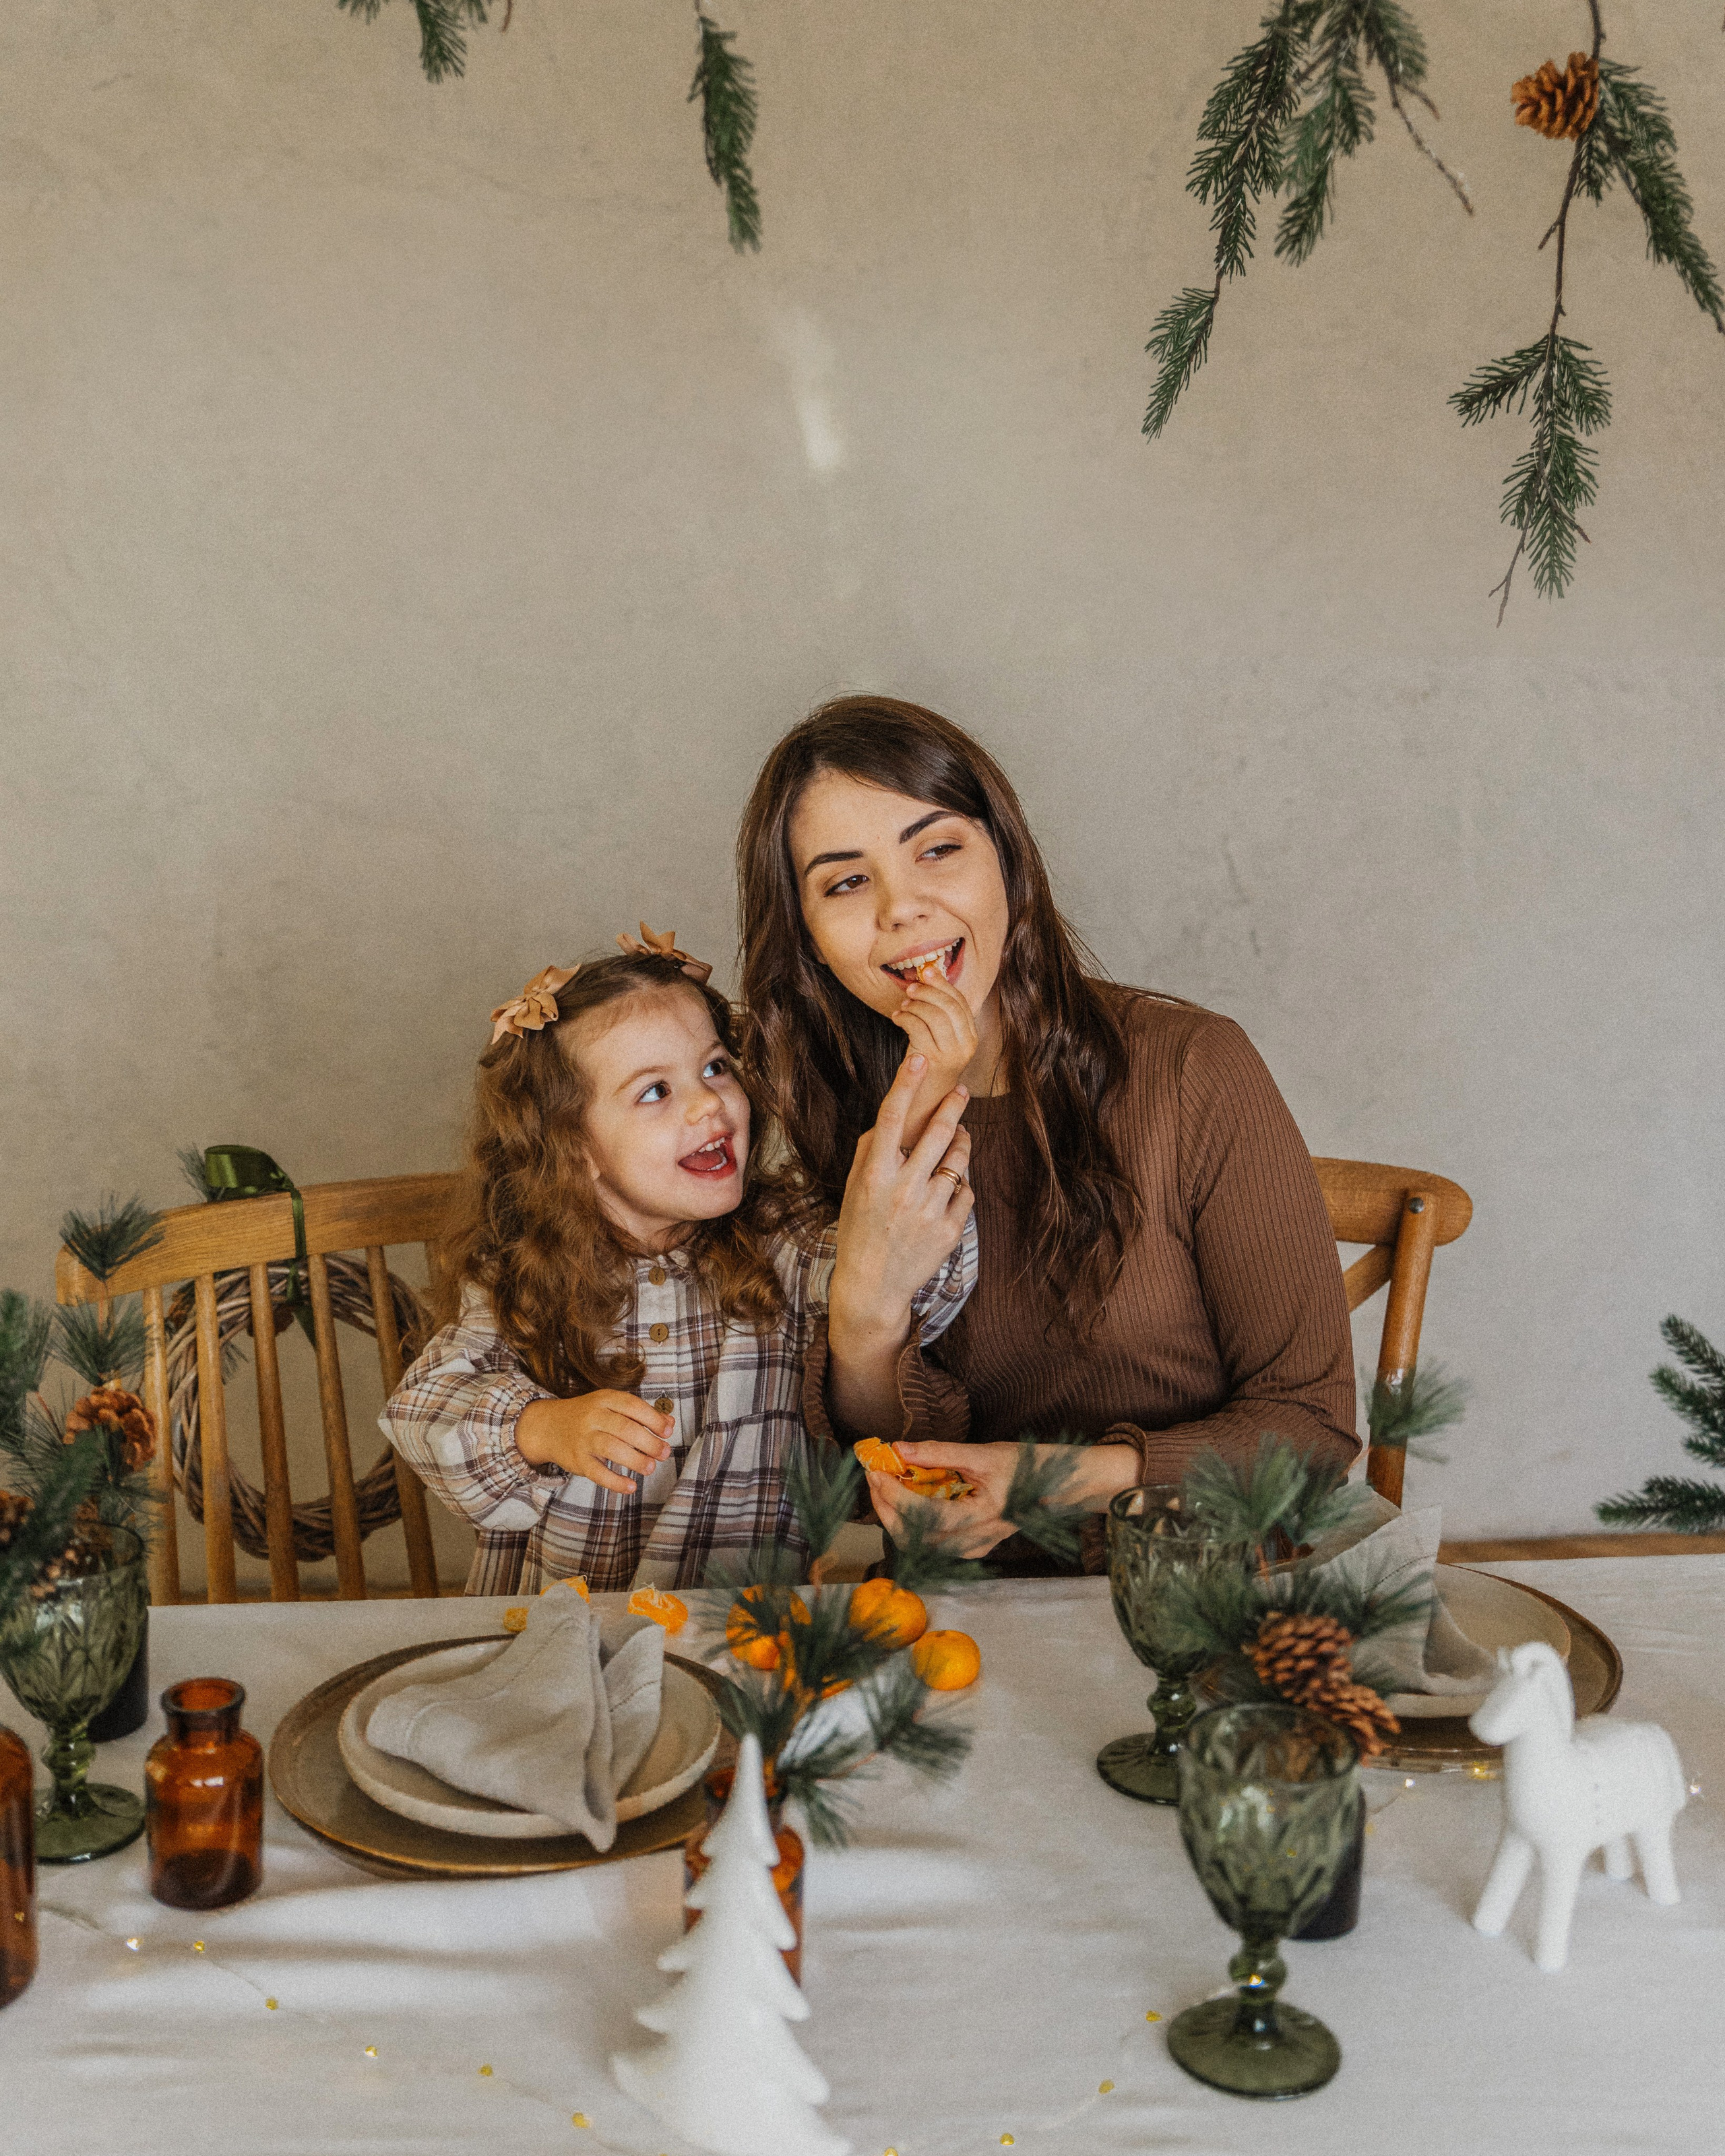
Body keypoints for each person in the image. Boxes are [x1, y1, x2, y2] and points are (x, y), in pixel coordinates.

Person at [737, 697, 1358, 1572]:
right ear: (810, 940)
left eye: (938, 848)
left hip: (1204, 1588)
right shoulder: (836, 1119)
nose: (901, 908)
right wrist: (863, 1315)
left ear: (1008, 861)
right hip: (967, 1614)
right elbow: (871, 1479)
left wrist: (1048, 1481)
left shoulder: (1190, 1070)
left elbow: (1315, 1433)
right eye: (846, 881)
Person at [380, 937, 976, 1593]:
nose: (708, 1103)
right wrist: (545, 1426)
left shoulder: (785, 1243)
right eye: (656, 1090)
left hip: (748, 1634)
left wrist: (935, 1074)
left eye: (716, 1067)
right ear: (574, 1146)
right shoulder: (522, 1280)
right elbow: (422, 1413)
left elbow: (892, 1246)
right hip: (570, 1645)